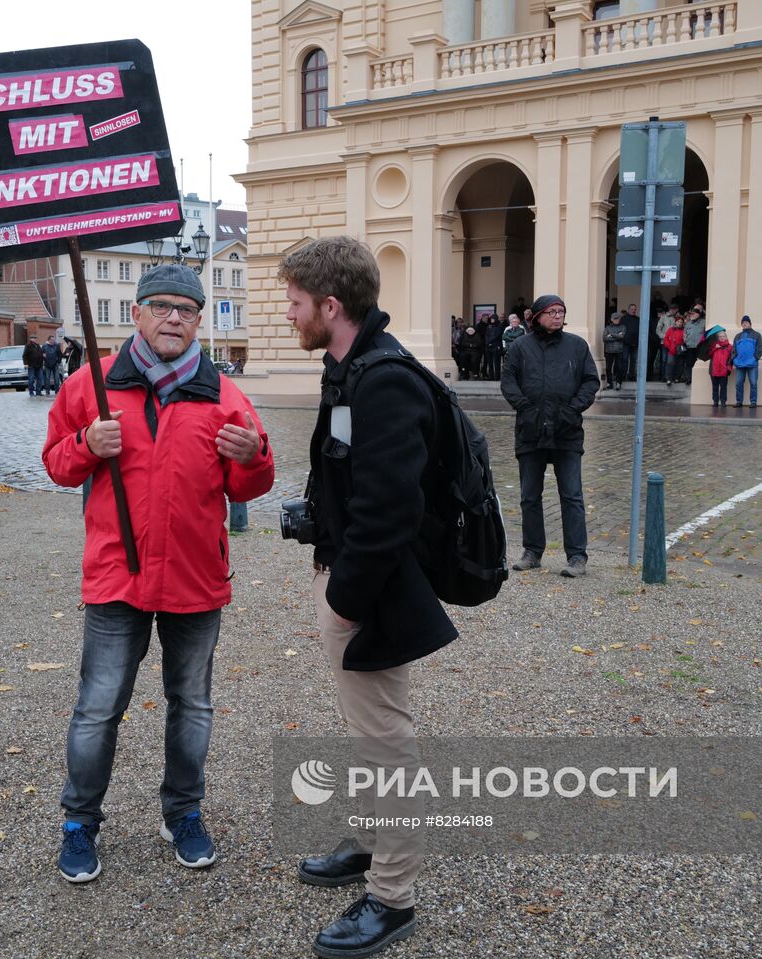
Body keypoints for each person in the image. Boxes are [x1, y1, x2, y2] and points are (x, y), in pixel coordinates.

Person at [41, 263, 274, 886]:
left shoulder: (223, 393)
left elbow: (250, 479)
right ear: (139, 314)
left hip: (196, 576)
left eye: (188, 310)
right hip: (117, 575)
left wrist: (256, 459)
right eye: (163, 306)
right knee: (98, 707)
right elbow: (58, 465)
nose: (175, 317)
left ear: (200, 320)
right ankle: (80, 822)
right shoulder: (90, 385)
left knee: (191, 704)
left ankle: (183, 811)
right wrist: (88, 443)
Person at [281, 236, 453, 958]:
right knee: (369, 735)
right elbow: (352, 481)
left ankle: (392, 895)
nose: (288, 315)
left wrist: (344, 600)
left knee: (387, 743)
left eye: (295, 303)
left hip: (370, 592)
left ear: (331, 304)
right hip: (351, 577)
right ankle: (375, 839)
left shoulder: (384, 380)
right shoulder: (348, 368)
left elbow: (389, 513)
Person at [501, 293, 599, 577]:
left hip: (566, 432)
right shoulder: (520, 347)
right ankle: (532, 551)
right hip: (530, 432)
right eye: (552, 312)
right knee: (529, 495)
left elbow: (590, 381)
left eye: (561, 312)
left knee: (571, 495)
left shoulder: (577, 346)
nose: (558, 316)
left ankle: (577, 556)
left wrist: (572, 410)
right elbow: (508, 382)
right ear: (537, 316)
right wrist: (526, 409)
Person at [732, 315, 762, 408]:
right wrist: (735, 360)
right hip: (740, 364)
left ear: (750, 323)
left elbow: (759, 349)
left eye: (746, 322)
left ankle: (753, 402)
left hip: (752, 364)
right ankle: (739, 401)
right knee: (738, 383)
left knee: (753, 383)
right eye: (743, 322)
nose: (744, 323)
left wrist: (754, 359)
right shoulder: (737, 336)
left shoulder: (757, 335)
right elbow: (734, 350)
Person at [602, 312, 628, 390]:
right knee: (608, 368)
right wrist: (617, 335)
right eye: (615, 319)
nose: (616, 320)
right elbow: (604, 338)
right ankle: (610, 383)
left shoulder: (623, 327)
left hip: (619, 350)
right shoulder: (607, 327)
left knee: (620, 367)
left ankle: (618, 383)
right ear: (611, 319)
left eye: (618, 318)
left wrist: (611, 334)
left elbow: (622, 337)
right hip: (608, 351)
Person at [708, 330, 734, 408]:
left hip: (723, 370)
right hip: (714, 370)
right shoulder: (714, 346)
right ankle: (715, 401)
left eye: (723, 336)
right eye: (720, 337)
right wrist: (715, 348)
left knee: (723, 387)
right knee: (715, 386)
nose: (722, 338)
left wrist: (728, 368)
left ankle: (723, 401)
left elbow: (731, 358)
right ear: (718, 338)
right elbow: (709, 355)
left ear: (726, 337)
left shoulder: (729, 346)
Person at [680, 308, 705, 385]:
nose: (691, 315)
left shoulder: (704, 322)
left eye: (693, 314)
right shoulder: (688, 324)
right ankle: (688, 378)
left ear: (698, 314)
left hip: (699, 347)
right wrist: (685, 340)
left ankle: (698, 380)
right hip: (690, 346)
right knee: (689, 363)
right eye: (691, 314)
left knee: (699, 363)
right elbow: (684, 334)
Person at [662, 315, 686, 385]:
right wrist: (669, 346)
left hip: (680, 351)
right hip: (671, 351)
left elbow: (685, 340)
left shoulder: (684, 330)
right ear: (675, 322)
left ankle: (677, 378)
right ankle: (669, 379)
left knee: (679, 365)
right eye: (678, 322)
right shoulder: (670, 329)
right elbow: (666, 338)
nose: (679, 323)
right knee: (670, 364)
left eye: (681, 322)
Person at [622, 303, 640, 381]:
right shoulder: (624, 318)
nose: (633, 311)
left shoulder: (638, 319)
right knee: (624, 360)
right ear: (629, 309)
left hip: (635, 343)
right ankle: (623, 375)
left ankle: (631, 375)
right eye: (632, 309)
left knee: (633, 360)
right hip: (626, 343)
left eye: (635, 309)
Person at [482, 314, 503, 381]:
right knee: (489, 362)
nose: (492, 320)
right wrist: (488, 342)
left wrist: (489, 341)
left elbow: (497, 335)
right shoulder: (489, 326)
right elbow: (486, 335)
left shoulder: (499, 326)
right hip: (488, 346)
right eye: (491, 319)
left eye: (493, 319)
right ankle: (491, 376)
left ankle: (497, 376)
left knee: (496, 362)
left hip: (496, 346)